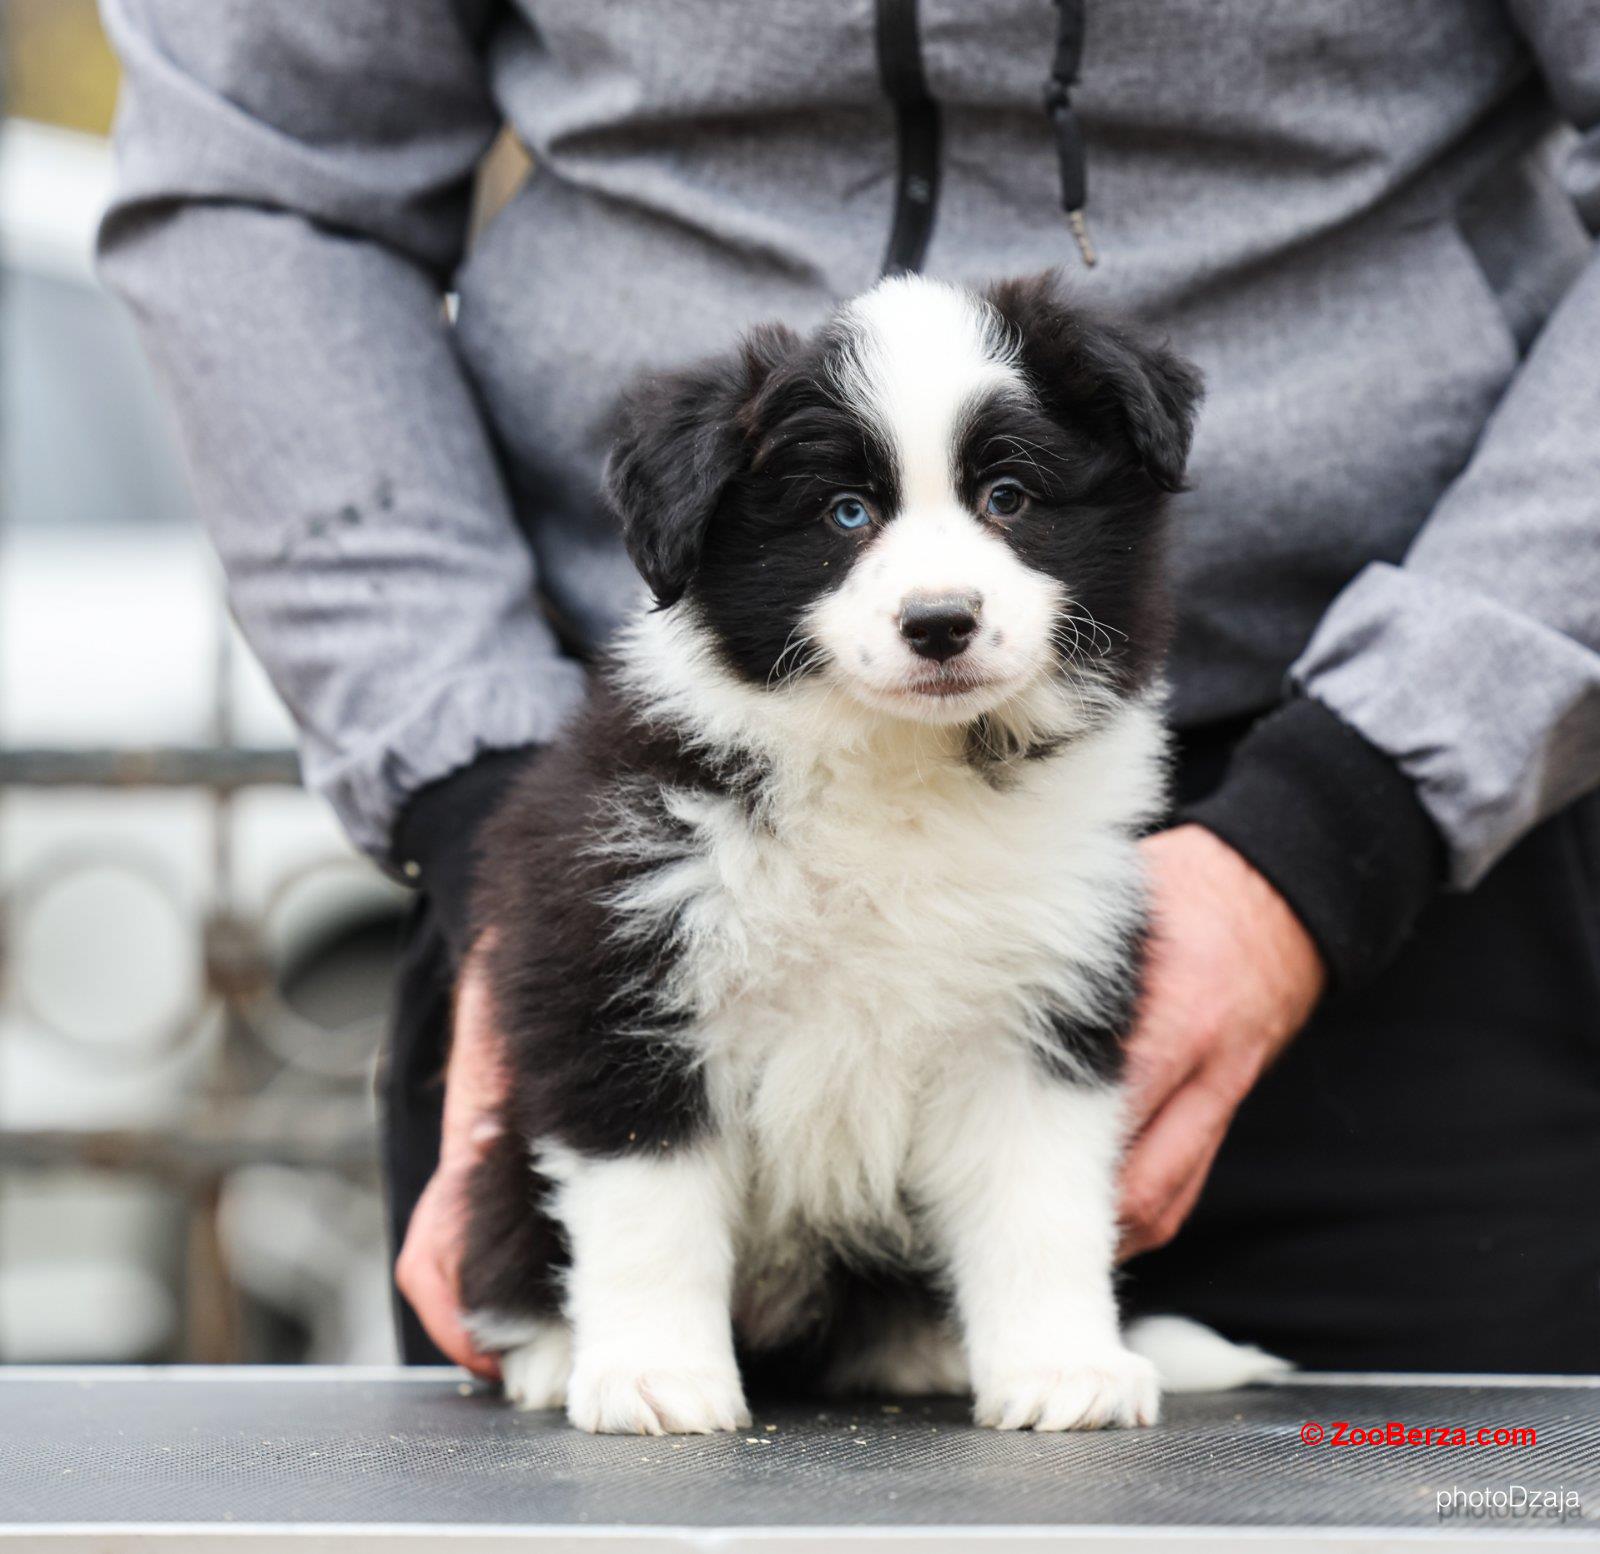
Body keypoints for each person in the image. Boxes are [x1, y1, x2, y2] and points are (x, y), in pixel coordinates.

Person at [99, 1, 1600, 1379]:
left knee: (1422, 1490)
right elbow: (257, 175)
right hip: (614, 749)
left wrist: (1371, 793)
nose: (937, 573)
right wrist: (471, 788)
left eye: (994, 498)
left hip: (1420, 833)